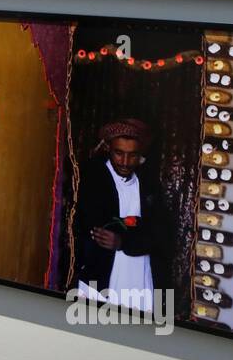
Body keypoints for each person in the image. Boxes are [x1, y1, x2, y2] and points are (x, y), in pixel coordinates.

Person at [71, 117, 169, 310]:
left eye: (132, 155)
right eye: (119, 153)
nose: (125, 162)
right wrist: (137, 225)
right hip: (101, 275)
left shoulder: (148, 183)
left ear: (140, 154)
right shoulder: (91, 177)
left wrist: (123, 240)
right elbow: (97, 226)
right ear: (108, 148)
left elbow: (161, 233)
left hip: (139, 274)